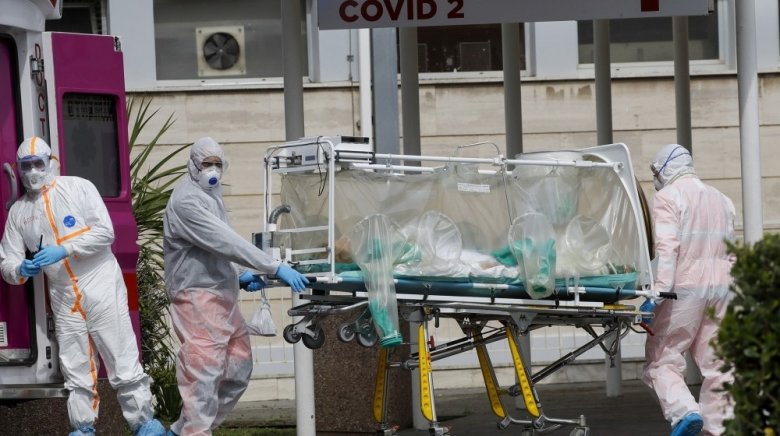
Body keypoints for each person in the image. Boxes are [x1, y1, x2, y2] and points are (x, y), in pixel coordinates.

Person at [0, 137, 165, 436]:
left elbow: (105, 232)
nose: (33, 171)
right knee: (75, 365)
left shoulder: (78, 188)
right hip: (63, 294)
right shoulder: (19, 212)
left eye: (38, 163)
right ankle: (83, 427)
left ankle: (144, 424)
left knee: (121, 355)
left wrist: (65, 249)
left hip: (100, 282)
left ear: (51, 162)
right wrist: (20, 269)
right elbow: (7, 259)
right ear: (19, 169)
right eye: (26, 166)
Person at [163, 137, 308, 436]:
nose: (213, 170)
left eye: (218, 164)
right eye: (207, 163)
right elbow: (225, 241)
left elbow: (218, 244)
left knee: (238, 368)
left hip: (220, 295)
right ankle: (195, 432)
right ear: (193, 165)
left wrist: (240, 274)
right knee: (203, 371)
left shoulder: (210, 194)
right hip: (196, 295)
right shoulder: (186, 201)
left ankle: (183, 430)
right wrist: (272, 266)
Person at [641, 144, 736, 436]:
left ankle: (684, 412)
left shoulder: (669, 197)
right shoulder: (723, 199)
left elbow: (667, 249)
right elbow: (731, 252)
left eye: (655, 172)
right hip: (721, 290)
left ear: (665, 168)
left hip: (684, 289)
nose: (655, 179)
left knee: (662, 357)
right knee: (719, 363)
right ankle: (720, 428)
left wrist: (656, 295)